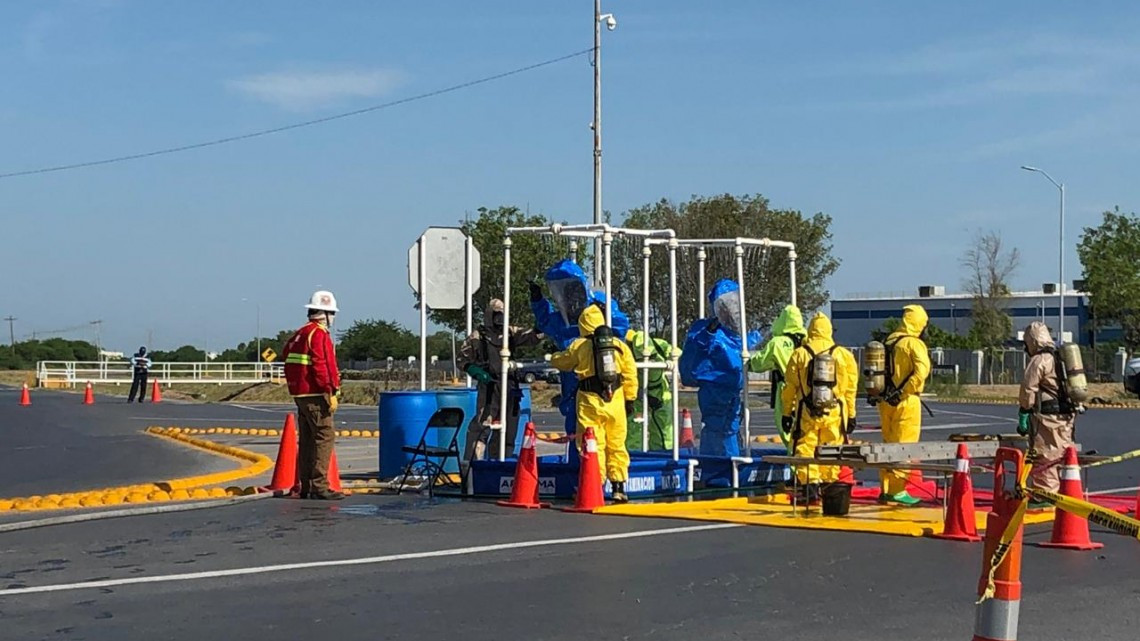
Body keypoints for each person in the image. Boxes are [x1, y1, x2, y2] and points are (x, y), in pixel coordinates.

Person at [530, 259, 629, 440]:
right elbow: (546, 322)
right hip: (598, 386)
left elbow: (622, 326)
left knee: (586, 434)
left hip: (591, 385)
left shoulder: (596, 308)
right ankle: (592, 467)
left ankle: (585, 467)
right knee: (597, 435)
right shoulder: (564, 319)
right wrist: (538, 300)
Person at [551, 304, 638, 501]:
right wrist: (630, 398)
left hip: (589, 400)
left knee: (591, 443)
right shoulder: (618, 345)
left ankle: (595, 485)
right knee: (616, 443)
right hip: (615, 400)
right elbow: (631, 373)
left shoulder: (579, 345)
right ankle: (619, 487)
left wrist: (552, 356)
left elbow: (562, 361)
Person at [678, 279, 762, 458]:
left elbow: (743, 345)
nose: (732, 309)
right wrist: (708, 333)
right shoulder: (708, 332)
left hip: (729, 392)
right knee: (720, 429)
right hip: (715, 391)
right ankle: (725, 470)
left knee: (726, 429)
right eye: (726, 304)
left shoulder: (731, 334)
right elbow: (693, 355)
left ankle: (720, 468)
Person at [781, 313, 858, 499]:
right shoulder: (843, 354)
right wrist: (852, 415)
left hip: (806, 410)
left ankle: (810, 486)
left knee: (805, 446)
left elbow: (789, 386)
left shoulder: (800, 353)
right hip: (835, 412)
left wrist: (786, 413)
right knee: (832, 448)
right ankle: (828, 484)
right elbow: (850, 389)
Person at [457, 298, 542, 463]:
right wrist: (475, 371)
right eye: (496, 315)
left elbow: (531, 337)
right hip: (489, 385)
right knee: (483, 426)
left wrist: (541, 324)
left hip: (510, 385)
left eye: (502, 314)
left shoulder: (510, 332)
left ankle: (500, 465)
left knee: (508, 430)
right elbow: (462, 359)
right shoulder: (478, 336)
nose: (499, 319)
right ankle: (473, 468)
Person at [282, 290, 344, 501]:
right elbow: (322, 364)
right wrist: (331, 389)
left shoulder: (299, 334)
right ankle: (319, 485)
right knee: (324, 437)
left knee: (308, 439)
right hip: (317, 394)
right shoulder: (318, 334)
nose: (333, 318)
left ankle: (307, 484)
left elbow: (287, 359)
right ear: (324, 314)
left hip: (300, 394)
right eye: (332, 313)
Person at [876, 304, 931, 505]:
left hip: (884, 400)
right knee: (904, 447)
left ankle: (886, 488)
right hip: (906, 401)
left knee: (887, 445)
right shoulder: (913, 344)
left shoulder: (889, 340)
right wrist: (905, 391)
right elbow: (921, 372)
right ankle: (897, 491)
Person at [1018, 321, 1078, 496]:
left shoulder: (1039, 360)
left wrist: (1024, 411)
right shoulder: (1061, 357)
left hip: (1048, 416)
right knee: (1064, 451)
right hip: (1067, 413)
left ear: (1032, 342)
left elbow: (1028, 388)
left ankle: (1045, 494)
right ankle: (1067, 489)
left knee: (1046, 454)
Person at [748, 305, 807, 452]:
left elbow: (759, 364)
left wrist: (746, 362)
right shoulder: (809, 340)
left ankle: (796, 468)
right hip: (808, 390)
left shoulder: (778, 343)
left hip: (787, 389)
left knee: (788, 432)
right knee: (807, 433)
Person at [624, 329, 679, 452]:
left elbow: (676, 353)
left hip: (657, 391)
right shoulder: (630, 350)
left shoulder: (652, 346)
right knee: (635, 425)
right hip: (639, 390)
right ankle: (635, 454)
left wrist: (670, 360)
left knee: (662, 426)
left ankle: (661, 454)